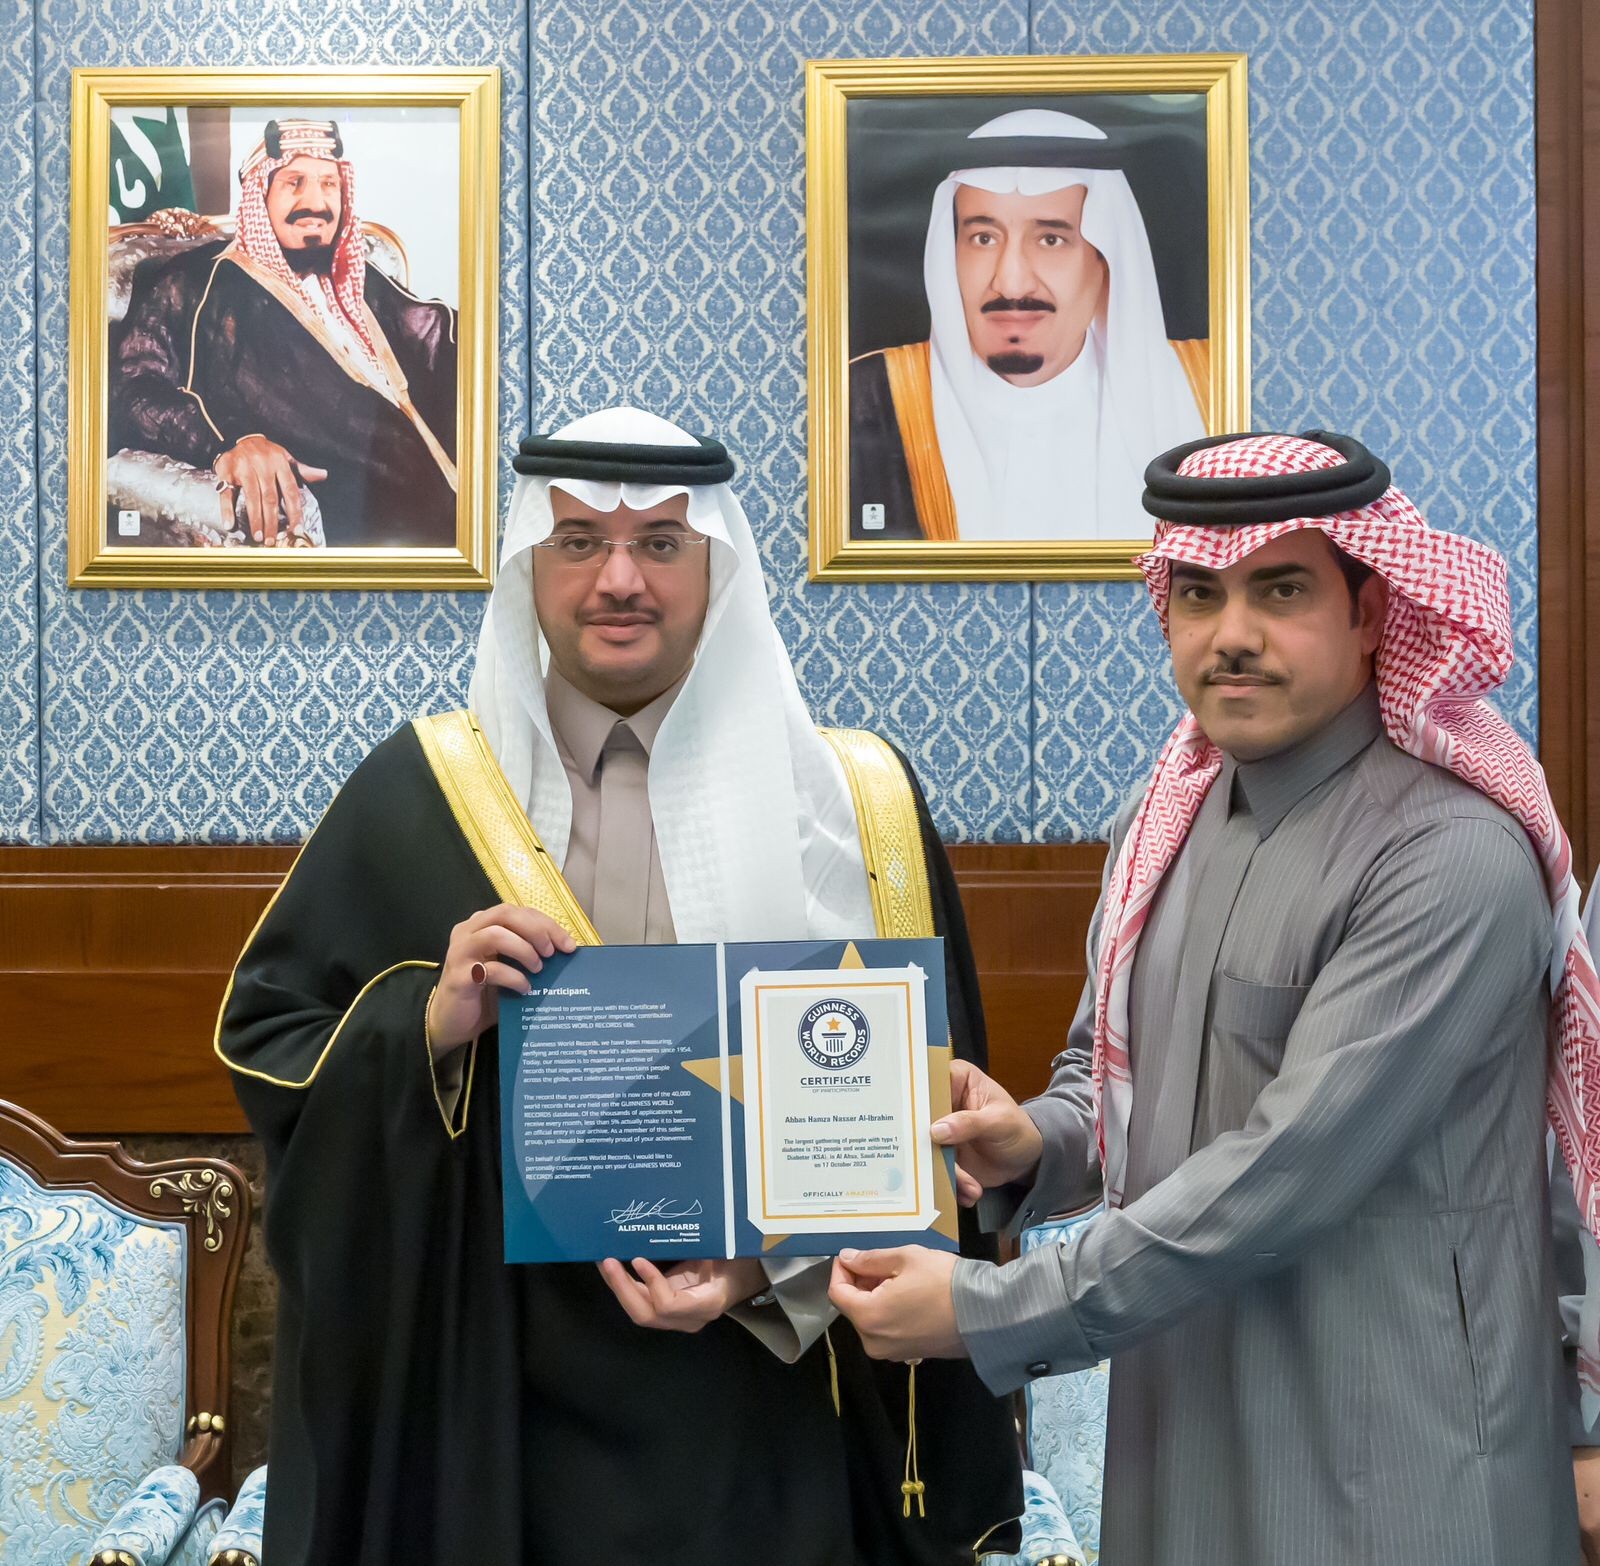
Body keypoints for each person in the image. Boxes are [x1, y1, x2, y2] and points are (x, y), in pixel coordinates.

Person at [215, 407, 1021, 1564]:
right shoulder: (422, 795)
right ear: (528, 567)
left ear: (717, 566)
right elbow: (273, 1045)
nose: (620, 580)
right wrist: (426, 1022)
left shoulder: (851, 811)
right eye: (580, 541)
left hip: (773, 1402)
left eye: (661, 544)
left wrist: (764, 1268)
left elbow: (926, 1138)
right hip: (499, 1418)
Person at [829, 429, 1600, 1565]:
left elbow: (1280, 1175)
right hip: (1183, 1428)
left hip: (1397, 1454)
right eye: (1199, 594)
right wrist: (1029, 1145)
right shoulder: (1169, 817)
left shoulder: (1448, 855)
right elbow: (1111, 1077)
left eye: (1280, 590)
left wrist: (987, 1310)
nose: (1231, 634)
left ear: (1371, 611)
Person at [849, 109, 1206, 544]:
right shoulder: (865, 399)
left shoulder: (1204, 386)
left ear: (1105, 259)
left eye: (1050, 239)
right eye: (983, 238)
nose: (1011, 282)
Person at [110, 117, 457, 548]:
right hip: (363, 522)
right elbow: (134, 390)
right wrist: (230, 443)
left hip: (450, 495)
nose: (316, 202)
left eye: (329, 184)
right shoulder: (198, 282)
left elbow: (433, 334)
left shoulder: (359, 277)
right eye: (294, 182)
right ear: (261, 195)